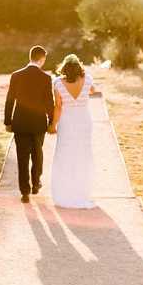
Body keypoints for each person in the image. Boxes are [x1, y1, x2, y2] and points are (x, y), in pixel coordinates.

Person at [4, 45, 55, 203]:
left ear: (30, 57)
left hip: (20, 123)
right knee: (37, 154)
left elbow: (10, 100)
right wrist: (51, 121)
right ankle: (36, 183)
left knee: (22, 157)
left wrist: (8, 121)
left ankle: (24, 192)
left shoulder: (16, 75)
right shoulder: (45, 78)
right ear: (42, 59)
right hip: (38, 123)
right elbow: (49, 102)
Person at [49, 53, 96, 209]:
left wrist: (53, 125)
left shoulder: (57, 83)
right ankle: (82, 191)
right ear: (79, 67)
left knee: (65, 154)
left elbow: (58, 106)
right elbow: (93, 91)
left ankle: (65, 191)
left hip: (67, 122)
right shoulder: (87, 79)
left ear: (64, 67)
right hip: (84, 121)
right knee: (83, 153)